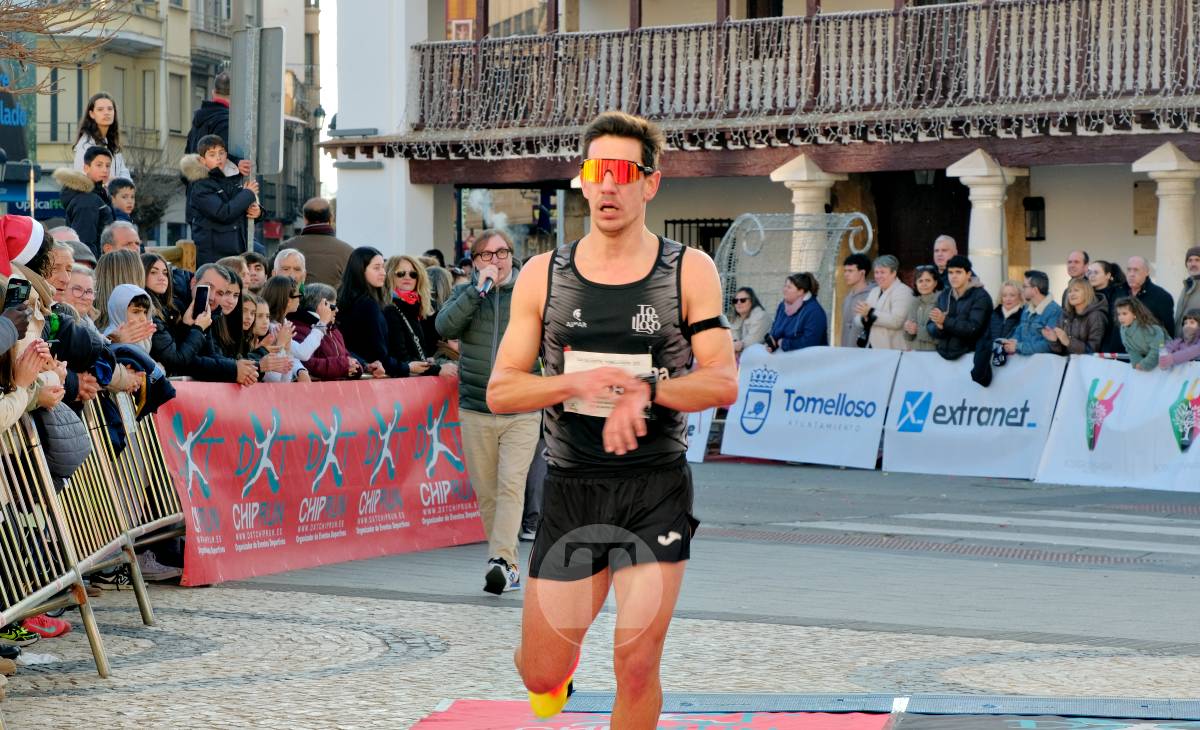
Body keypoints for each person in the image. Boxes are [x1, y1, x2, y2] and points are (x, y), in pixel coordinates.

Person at [486, 111, 738, 726]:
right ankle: (552, 679)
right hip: (572, 489)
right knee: (542, 670)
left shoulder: (688, 270)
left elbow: (723, 380)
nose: (608, 186)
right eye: (597, 172)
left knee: (637, 660)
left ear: (650, 183)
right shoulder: (546, 275)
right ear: (583, 178)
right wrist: (579, 382)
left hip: (655, 488)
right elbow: (501, 391)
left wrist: (647, 390)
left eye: (624, 173)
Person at [436, 229, 536, 595]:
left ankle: (501, 562)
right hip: (477, 407)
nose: (497, 260)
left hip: (522, 406)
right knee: (487, 491)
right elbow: (444, 326)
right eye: (487, 255)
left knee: (511, 484)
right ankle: (505, 564)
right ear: (475, 261)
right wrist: (478, 291)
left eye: (503, 253)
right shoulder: (467, 293)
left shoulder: (530, 293)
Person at [181, 135, 262, 266]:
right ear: (203, 160)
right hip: (214, 258)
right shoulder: (200, 186)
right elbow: (223, 213)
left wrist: (258, 212)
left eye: (221, 153)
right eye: (212, 155)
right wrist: (247, 194)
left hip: (237, 254)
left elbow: (239, 210)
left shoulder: (231, 179)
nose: (218, 158)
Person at [176, 264, 257, 385]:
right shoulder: (176, 307)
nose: (212, 297)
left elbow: (210, 354)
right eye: (208, 288)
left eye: (220, 293)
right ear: (193, 283)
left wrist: (242, 369)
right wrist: (234, 369)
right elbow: (182, 361)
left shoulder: (209, 313)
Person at [336, 246, 401, 378]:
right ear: (360, 270)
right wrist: (408, 367)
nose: (383, 272)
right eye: (376, 268)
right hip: (367, 376)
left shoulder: (346, 299)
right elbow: (378, 355)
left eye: (383, 267)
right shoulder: (367, 305)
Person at [383, 255, 443, 377]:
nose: (407, 277)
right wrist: (436, 369)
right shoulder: (390, 309)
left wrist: (426, 359)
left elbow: (418, 349)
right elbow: (401, 357)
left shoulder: (415, 307)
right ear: (390, 276)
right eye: (400, 273)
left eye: (413, 274)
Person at [287, 283, 360, 380]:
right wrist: (343, 366)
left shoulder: (334, 330)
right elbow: (306, 363)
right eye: (333, 306)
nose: (337, 310)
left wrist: (356, 367)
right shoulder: (298, 328)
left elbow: (347, 359)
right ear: (320, 306)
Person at [185, 71, 253, 175]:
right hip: (215, 189)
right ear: (235, 95)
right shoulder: (226, 122)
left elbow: (187, 160)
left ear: (213, 92)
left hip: (195, 189)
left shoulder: (198, 122)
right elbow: (222, 161)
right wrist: (237, 164)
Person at [927, 255, 991, 361]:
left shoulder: (981, 296)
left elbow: (973, 328)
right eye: (950, 272)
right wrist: (939, 327)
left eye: (958, 272)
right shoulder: (944, 295)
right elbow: (930, 326)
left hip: (971, 357)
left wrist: (945, 321)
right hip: (943, 356)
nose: (953, 276)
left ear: (968, 274)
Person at [54, 147, 115, 257]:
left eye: (108, 165)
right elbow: (85, 244)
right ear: (86, 168)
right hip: (98, 266)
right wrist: (93, 269)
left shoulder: (99, 194)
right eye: (99, 165)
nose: (105, 170)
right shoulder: (87, 200)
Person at [281, 198, 354, 287]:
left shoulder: (286, 248)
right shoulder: (348, 252)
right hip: (333, 300)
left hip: (294, 300)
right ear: (331, 218)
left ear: (305, 219)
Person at [855, 254, 912, 350]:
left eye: (882, 272)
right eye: (876, 272)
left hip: (893, 349)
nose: (878, 276)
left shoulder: (903, 291)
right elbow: (857, 319)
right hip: (871, 347)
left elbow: (896, 321)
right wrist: (865, 317)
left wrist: (869, 314)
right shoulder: (874, 291)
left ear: (893, 273)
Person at [999, 270, 1061, 357]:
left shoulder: (1055, 311)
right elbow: (1019, 331)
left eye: (1024, 286)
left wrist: (1018, 346)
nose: (1022, 290)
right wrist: (1011, 342)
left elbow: (1048, 345)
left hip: (1043, 367)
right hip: (1025, 366)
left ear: (1035, 290)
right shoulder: (1026, 308)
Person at [72, 92, 130, 181]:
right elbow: (83, 177)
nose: (106, 113)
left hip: (114, 194)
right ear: (91, 114)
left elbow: (123, 172)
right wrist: (113, 184)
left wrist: (125, 187)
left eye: (110, 109)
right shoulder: (85, 144)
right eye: (100, 109)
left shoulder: (112, 143)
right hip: (94, 194)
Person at [765, 272, 827, 352]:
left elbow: (811, 343)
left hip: (808, 362)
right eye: (785, 286)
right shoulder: (782, 306)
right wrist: (772, 343)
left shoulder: (814, 312)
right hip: (784, 360)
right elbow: (775, 330)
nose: (784, 290)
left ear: (800, 291)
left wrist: (785, 344)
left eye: (789, 287)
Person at [1047, 279, 1107, 355]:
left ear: (1087, 293)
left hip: (1088, 365)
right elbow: (1060, 352)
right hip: (1068, 364)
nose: (1072, 294)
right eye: (1070, 291)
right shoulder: (1064, 315)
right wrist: (1054, 341)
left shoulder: (1096, 316)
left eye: (1076, 290)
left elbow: (1093, 350)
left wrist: (1069, 342)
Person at [1126, 255, 1176, 337]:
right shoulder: (1119, 292)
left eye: (1136, 270)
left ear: (1147, 272)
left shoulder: (1162, 296)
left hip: (1148, 348)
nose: (1131, 274)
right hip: (1118, 348)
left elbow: (1168, 330)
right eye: (1129, 270)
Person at [1087, 259, 1129, 353]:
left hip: (1111, 352)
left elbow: (1116, 327)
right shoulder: (1087, 294)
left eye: (1096, 272)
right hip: (1090, 351)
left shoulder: (1119, 295)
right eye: (1089, 272)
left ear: (1108, 275)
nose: (1092, 276)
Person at [1117, 296, 1167, 372]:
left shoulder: (1148, 329)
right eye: (1119, 314)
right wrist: (1137, 362)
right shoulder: (1123, 329)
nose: (1121, 317)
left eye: (1124, 314)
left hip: (1168, 359)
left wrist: (1144, 364)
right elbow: (1130, 348)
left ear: (1134, 314)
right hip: (1151, 362)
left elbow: (1157, 349)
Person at [903, 264, 941, 352]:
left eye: (928, 280)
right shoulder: (914, 303)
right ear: (916, 284)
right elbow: (908, 337)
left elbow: (940, 337)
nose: (924, 284)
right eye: (920, 281)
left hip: (935, 355)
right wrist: (907, 329)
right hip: (916, 356)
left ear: (935, 283)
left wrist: (917, 330)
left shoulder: (941, 302)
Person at [839, 253, 873, 346]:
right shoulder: (847, 297)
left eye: (850, 271)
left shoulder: (872, 295)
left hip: (864, 354)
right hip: (846, 352)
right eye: (845, 271)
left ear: (862, 273)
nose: (846, 274)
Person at [988, 280, 1024, 360]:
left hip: (1015, 360)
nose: (1008, 299)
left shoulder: (1024, 316)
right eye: (1004, 295)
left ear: (1019, 296)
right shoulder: (992, 314)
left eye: (1012, 295)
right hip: (992, 358)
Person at [729, 287, 768, 358]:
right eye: (735, 301)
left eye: (743, 300)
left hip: (761, 362)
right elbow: (732, 338)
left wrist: (735, 346)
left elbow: (752, 342)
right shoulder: (737, 318)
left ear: (752, 301)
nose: (738, 303)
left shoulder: (760, 316)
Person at [1175, 246, 1200, 334]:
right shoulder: (1187, 286)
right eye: (1190, 260)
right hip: (1183, 344)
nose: (1193, 264)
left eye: (1197, 260)